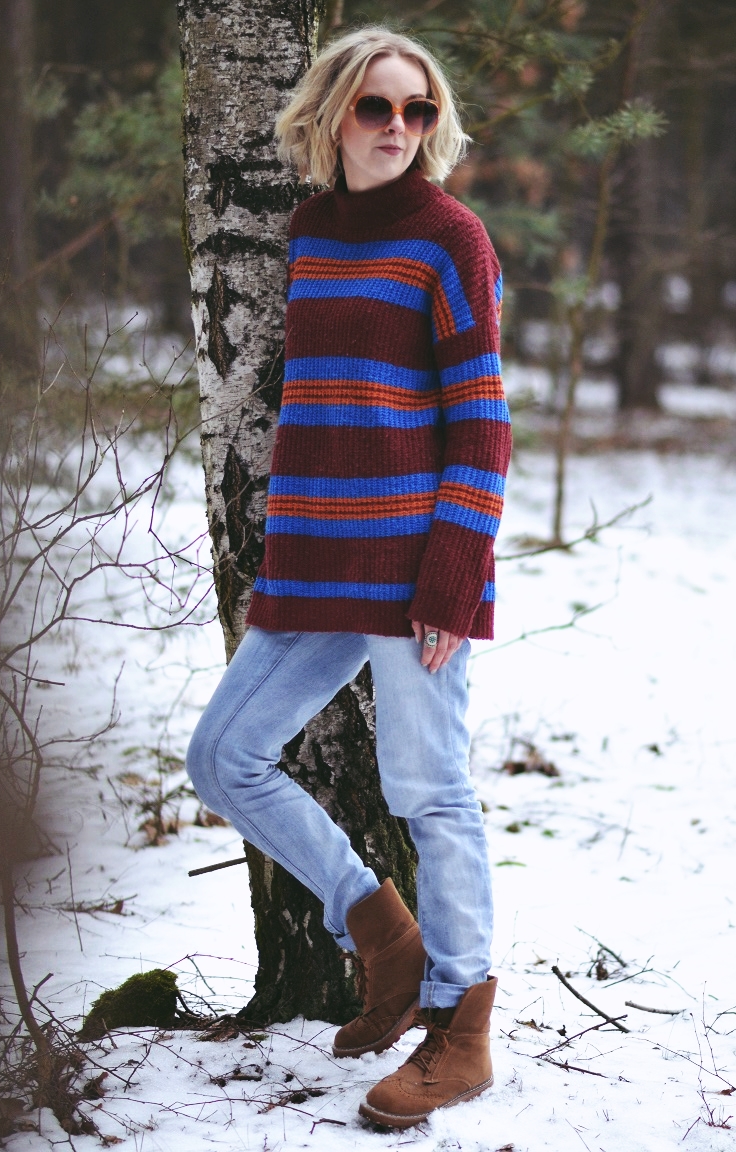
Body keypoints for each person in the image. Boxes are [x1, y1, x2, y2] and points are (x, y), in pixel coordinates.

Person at [186, 25, 512, 1130]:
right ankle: (380, 931)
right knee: (224, 756)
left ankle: (459, 1028)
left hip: (418, 564)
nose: (398, 128)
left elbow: (483, 420)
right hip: (318, 563)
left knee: (430, 790)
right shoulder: (314, 231)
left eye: (419, 111)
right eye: (377, 106)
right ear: (333, 114)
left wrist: (454, 573)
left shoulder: (450, 238)